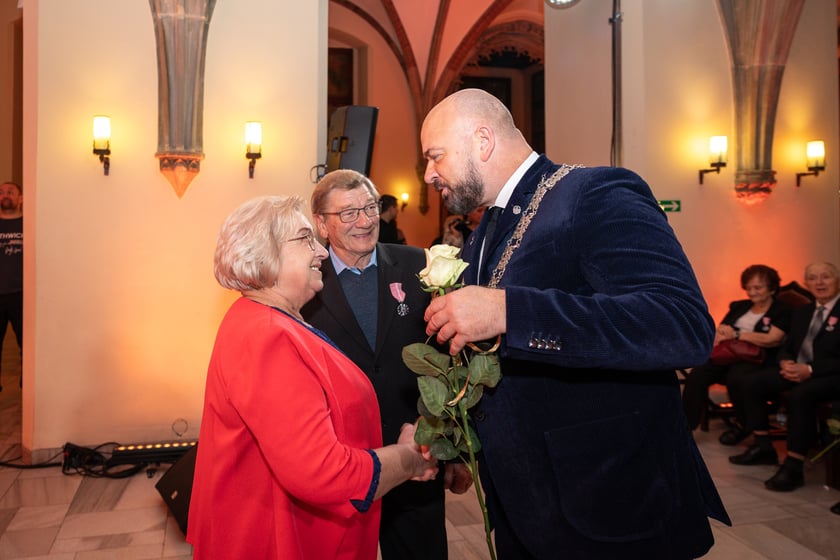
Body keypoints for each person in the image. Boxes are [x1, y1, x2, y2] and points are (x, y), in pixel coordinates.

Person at [419, 88, 730, 558]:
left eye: (435, 156)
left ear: (482, 140)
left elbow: (680, 324)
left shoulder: (593, 193)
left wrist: (511, 312)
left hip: (606, 501)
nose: (428, 174)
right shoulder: (484, 231)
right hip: (526, 503)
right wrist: (464, 445)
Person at [187, 195, 438, 559]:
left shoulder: (264, 319)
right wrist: (409, 459)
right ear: (265, 253)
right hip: (278, 540)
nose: (321, 252)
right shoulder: (266, 335)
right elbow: (323, 472)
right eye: (306, 239)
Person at [301, 169, 471, 560]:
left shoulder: (420, 266)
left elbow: (450, 358)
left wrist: (457, 449)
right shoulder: (305, 282)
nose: (364, 221)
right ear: (321, 225)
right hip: (344, 463)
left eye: (370, 208)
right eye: (348, 213)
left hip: (417, 454)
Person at [728, 262, 840, 492]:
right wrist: (785, 362)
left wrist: (810, 369)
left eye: (825, 277)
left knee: (801, 394)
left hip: (830, 374)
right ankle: (763, 447)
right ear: (807, 283)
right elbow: (787, 346)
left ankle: (794, 465)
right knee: (751, 382)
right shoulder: (803, 312)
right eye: (813, 278)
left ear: (837, 280)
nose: (819, 282)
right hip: (797, 369)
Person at [682, 264, 791, 443]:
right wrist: (724, 334)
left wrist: (737, 334)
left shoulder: (783, 310)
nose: (752, 292)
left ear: (772, 288)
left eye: (758, 288)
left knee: (736, 376)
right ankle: (685, 428)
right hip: (728, 354)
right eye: (749, 287)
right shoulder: (739, 306)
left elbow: (773, 339)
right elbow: (722, 330)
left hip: (757, 358)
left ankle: (743, 424)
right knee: (698, 373)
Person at [0, 181, 23, 392]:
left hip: (21, 295)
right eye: (1, 192)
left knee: (27, 346)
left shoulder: (27, 224)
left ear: (20, 198)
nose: (4, 195)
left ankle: (28, 390)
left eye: (10, 192)